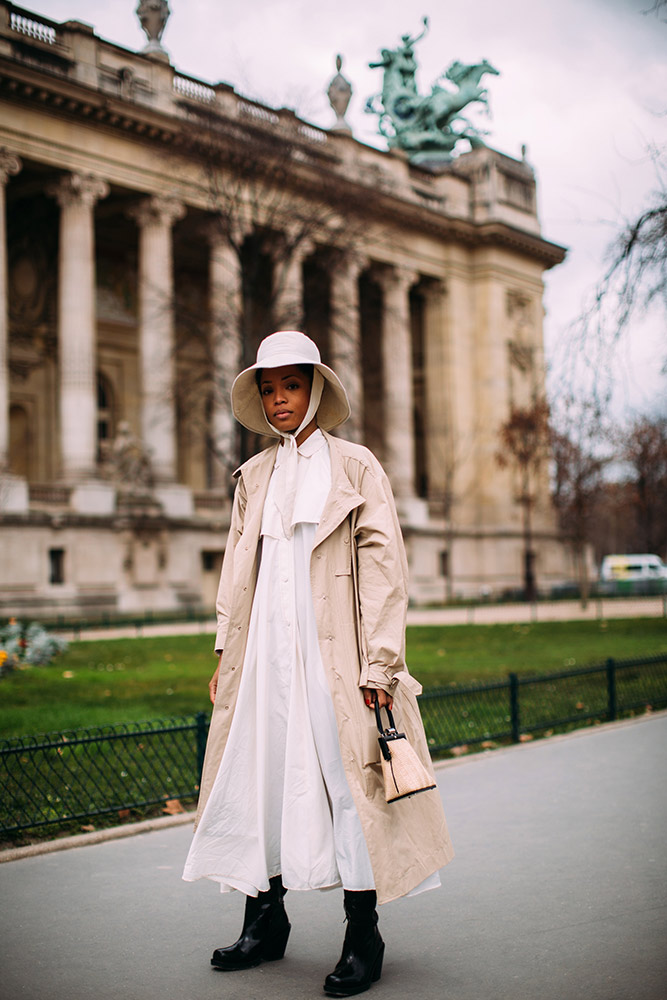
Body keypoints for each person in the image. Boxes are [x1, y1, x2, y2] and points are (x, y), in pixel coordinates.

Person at [183, 331, 454, 997]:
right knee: (256, 777)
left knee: (346, 784)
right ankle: (263, 918)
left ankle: (362, 933)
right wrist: (226, 649)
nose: (279, 399)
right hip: (264, 657)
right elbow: (236, 571)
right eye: (269, 389)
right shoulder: (253, 477)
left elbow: (383, 569)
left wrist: (380, 664)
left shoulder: (355, 466)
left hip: (334, 656)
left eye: (291, 385)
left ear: (316, 390)